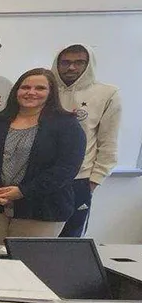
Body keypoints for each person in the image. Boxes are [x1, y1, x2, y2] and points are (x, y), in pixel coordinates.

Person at [0, 69, 86, 245]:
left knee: (25, 266)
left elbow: (66, 169)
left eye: (40, 88)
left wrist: (22, 192)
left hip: (42, 210)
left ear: (51, 93)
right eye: (25, 87)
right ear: (16, 91)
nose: (31, 92)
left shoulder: (67, 125)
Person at [53, 44, 122, 237]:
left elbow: (108, 142)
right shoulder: (42, 90)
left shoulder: (107, 94)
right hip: (41, 180)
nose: (71, 68)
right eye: (66, 62)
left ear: (88, 64)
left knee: (70, 242)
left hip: (79, 180)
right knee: (35, 242)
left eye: (79, 62)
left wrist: (93, 182)